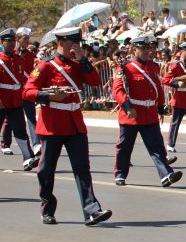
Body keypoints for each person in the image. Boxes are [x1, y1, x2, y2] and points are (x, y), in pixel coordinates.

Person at [22, 27, 112, 226]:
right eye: (73, 42)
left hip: (75, 124)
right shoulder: (45, 65)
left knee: (82, 169)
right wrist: (49, 96)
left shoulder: (78, 64)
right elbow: (28, 91)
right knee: (46, 170)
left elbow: (95, 81)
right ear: (61, 42)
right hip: (52, 125)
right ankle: (47, 208)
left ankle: (91, 211)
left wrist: (83, 59)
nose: (77, 46)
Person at [112, 35, 182, 187]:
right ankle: (120, 174)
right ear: (133, 49)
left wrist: (160, 107)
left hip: (149, 114)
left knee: (156, 146)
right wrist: (127, 107)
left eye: (148, 48)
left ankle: (166, 174)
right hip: (132, 114)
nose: (146, 51)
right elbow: (117, 90)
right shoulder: (125, 67)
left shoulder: (153, 66)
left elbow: (157, 87)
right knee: (125, 146)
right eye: (142, 48)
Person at [0, 29, 38, 171]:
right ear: (2, 43)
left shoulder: (19, 60)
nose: (11, 44)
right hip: (1, 101)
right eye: (8, 41)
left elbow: (22, 81)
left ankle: (27, 158)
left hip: (15, 101)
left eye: (12, 41)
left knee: (21, 130)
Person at [15, 27, 41, 154]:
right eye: (25, 39)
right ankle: (6, 143)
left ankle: (36, 145)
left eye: (28, 38)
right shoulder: (11, 55)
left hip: (26, 91)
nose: (27, 41)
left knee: (31, 118)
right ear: (17, 40)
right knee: (11, 121)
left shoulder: (31, 56)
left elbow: (32, 73)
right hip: (14, 93)